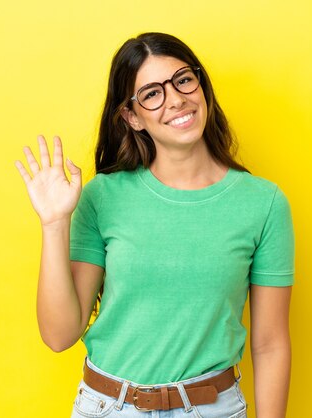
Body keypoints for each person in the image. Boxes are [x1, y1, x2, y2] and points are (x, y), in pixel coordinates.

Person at [15, 32, 295, 418]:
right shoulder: (102, 197)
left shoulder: (263, 204)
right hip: (109, 408)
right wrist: (54, 223)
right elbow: (60, 335)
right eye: (152, 93)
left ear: (201, 86)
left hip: (212, 409)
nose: (176, 99)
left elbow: (270, 344)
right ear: (132, 116)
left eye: (183, 80)